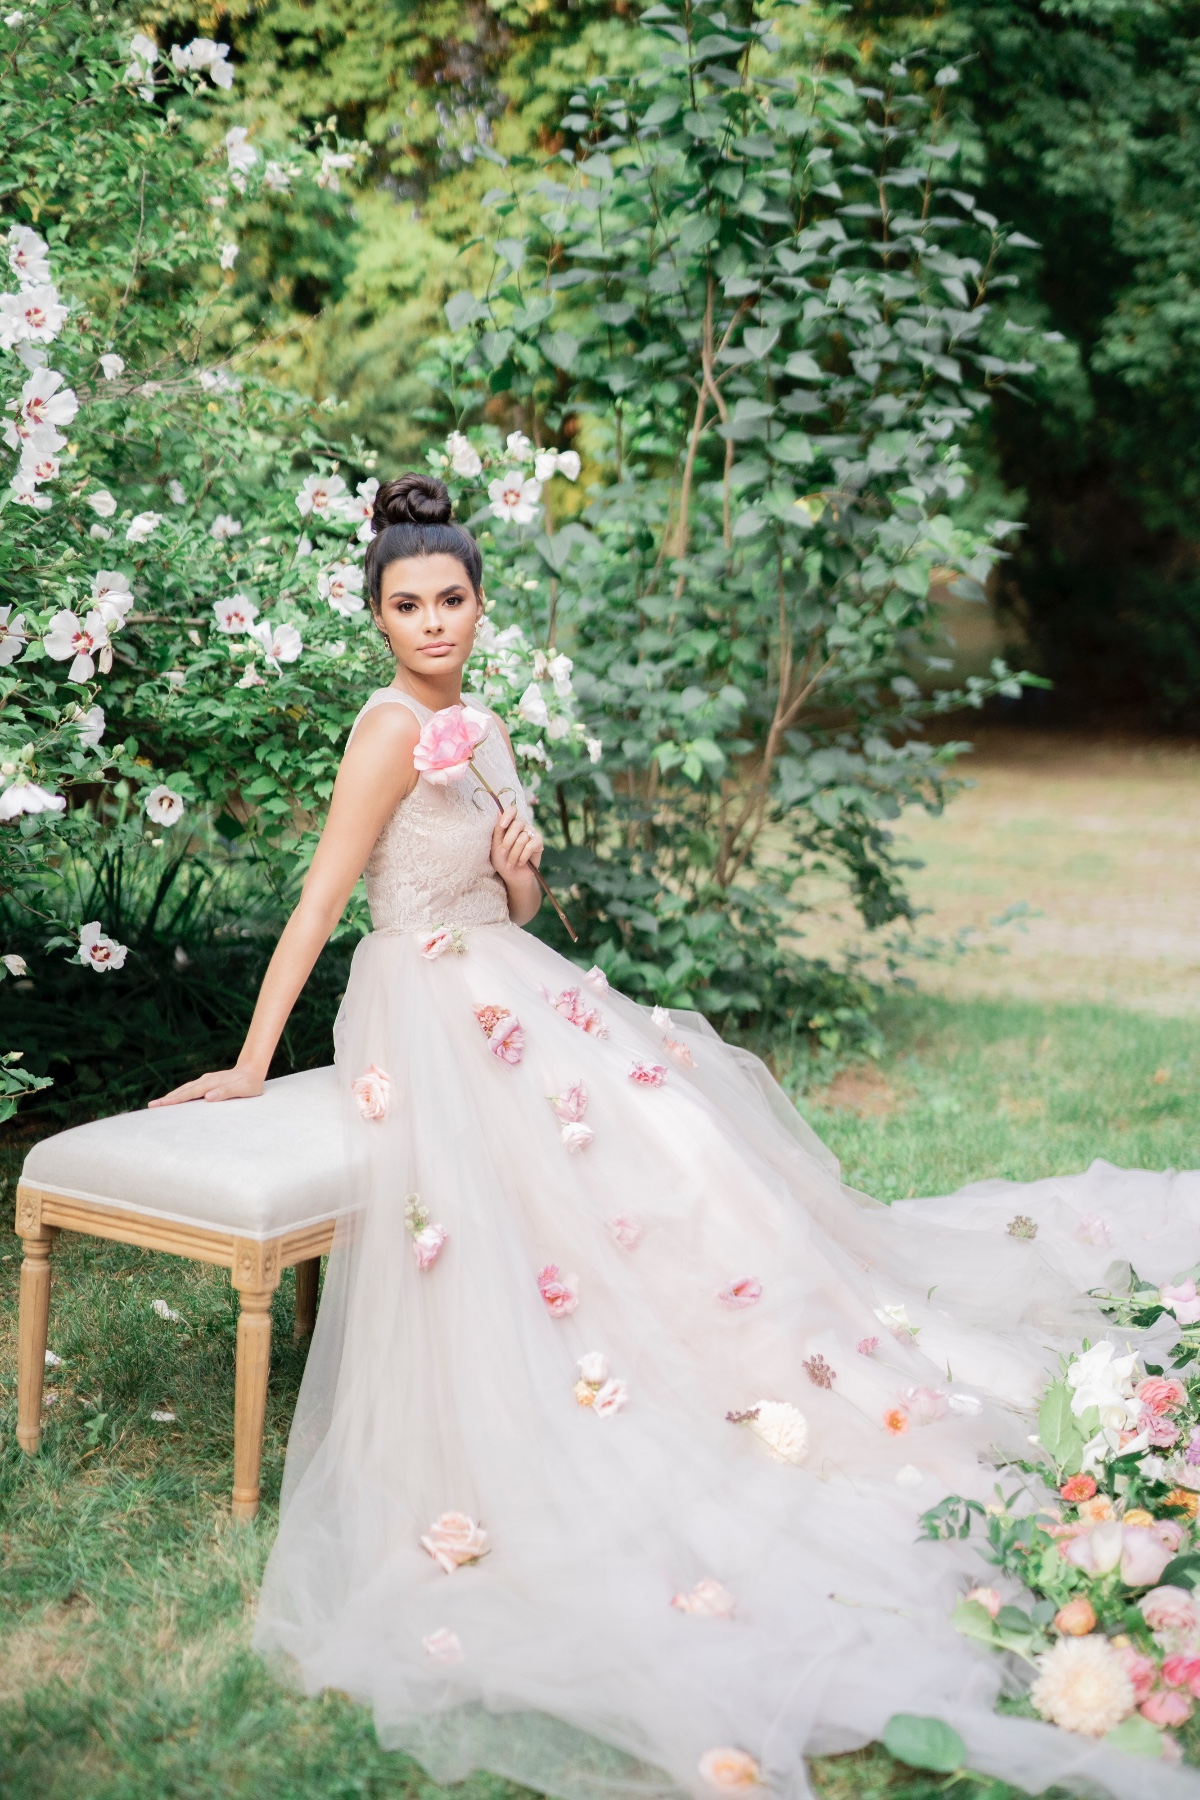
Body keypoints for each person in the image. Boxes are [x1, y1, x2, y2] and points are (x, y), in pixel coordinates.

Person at [154, 475, 1198, 1800]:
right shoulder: (382, 733)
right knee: (607, 1162)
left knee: (691, 1142)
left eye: (453, 600)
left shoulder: (480, 727)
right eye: (407, 605)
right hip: (422, 996)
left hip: (504, 969)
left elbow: (517, 902)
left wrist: (524, 859)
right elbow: (320, 905)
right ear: (375, 616)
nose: (433, 624)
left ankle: (761, 1341)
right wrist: (249, 1065)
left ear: (481, 604)